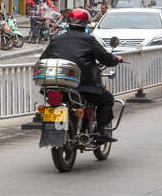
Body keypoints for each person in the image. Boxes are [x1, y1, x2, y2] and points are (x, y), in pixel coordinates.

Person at [39, 7, 123, 142]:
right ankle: (99, 133)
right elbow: (106, 59)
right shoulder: (89, 40)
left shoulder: (56, 40)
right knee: (107, 99)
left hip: (56, 86)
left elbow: (42, 59)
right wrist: (117, 59)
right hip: (84, 86)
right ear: (85, 24)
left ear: (69, 23)